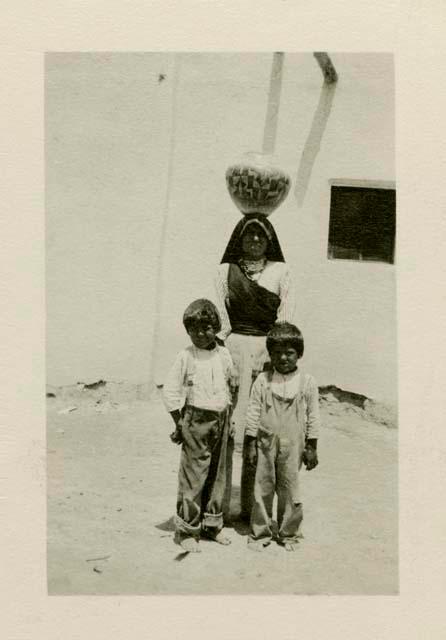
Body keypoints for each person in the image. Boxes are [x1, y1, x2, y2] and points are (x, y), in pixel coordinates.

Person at [214, 214, 296, 521]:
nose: (255, 241)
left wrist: (273, 352)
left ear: (270, 240)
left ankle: (252, 509)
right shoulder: (225, 271)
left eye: (262, 236)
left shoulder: (281, 271)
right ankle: (218, 508)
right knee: (227, 428)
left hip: (266, 352)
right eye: (249, 235)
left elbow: (285, 315)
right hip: (232, 350)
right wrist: (224, 356)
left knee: (259, 430)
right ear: (239, 238)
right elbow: (220, 319)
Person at [163, 299, 237, 553]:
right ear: (187, 332)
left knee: (218, 475)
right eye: (194, 329)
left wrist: (231, 418)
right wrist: (179, 421)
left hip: (222, 418)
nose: (201, 334)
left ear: (215, 327)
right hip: (196, 420)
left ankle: (212, 525)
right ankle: (186, 529)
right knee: (193, 477)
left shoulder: (224, 354)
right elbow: (171, 390)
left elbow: (232, 385)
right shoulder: (186, 356)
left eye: (206, 328)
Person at [244, 322, 320, 551]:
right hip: (266, 442)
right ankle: (260, 533)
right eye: (277, 353)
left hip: (294, 445)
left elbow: (313, 416)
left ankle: (289, 533)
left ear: (299, 354)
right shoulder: (263, 381)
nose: (283, 358)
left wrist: (312, 446)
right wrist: (250, 443)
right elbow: (253, 413)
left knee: (289, 487)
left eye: (289, 353)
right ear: (270, 354)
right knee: (263, 486)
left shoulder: (307, 383)